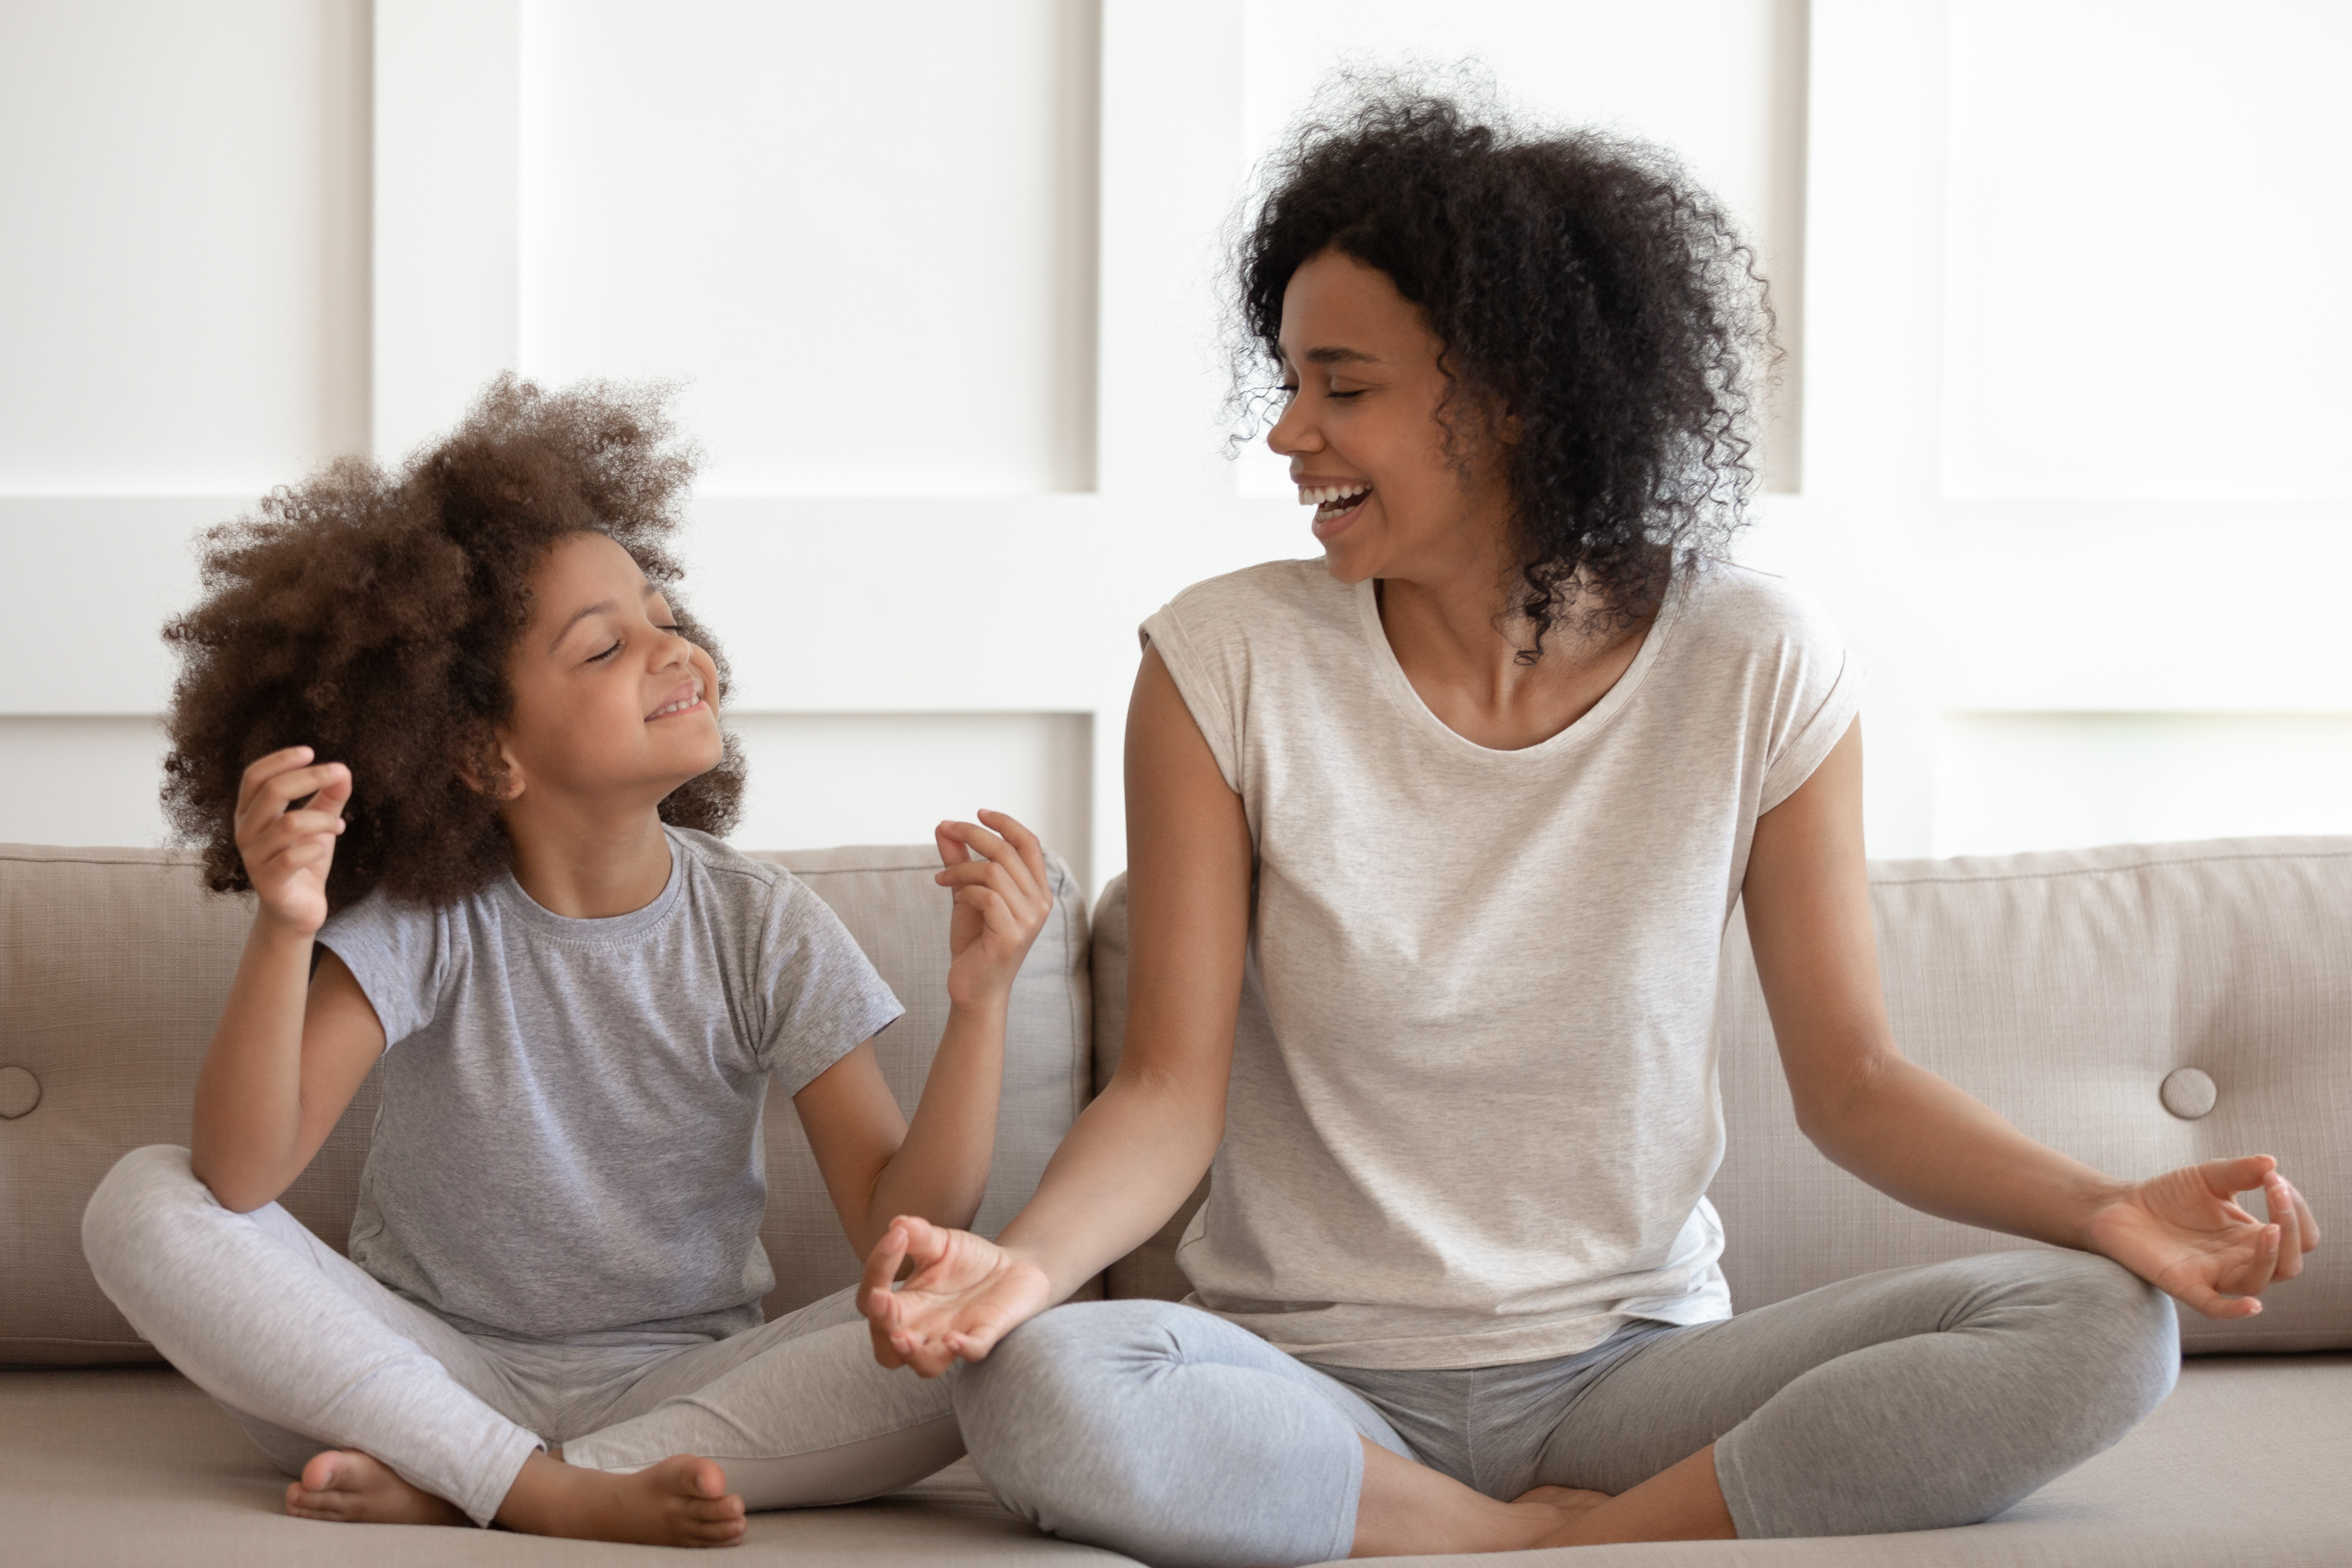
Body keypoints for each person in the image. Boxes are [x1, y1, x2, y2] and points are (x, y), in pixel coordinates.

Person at [854, 89, 2322, 1566]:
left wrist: (2105, 1208)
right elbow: (1168, 1093)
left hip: (1638, 1373)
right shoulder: (1219, 662)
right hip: (1308, 1382)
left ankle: (1535, 1530)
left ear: (1515, 397)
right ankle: (1538, 1537)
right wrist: (1020, 1271)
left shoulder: (1759, 664)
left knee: (2099, 1323)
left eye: (1341, 387)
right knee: (1039, 1377)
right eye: (1287, 383)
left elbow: (1858, 1081)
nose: (1289, 434)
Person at [80, 377, 1056, 1547]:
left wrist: (982, 1002)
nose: (667, 646)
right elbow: (240, 1179)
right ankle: (542, 1489)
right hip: (412, 1370)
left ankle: (476, 1484)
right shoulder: (425, 920)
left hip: (682, 1391)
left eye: (659, 612)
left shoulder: (763, 922)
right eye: (603, 647)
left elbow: (901, 1233)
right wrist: (287, 923)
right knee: (141, 1199)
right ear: (488, 755)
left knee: (986, 1317)